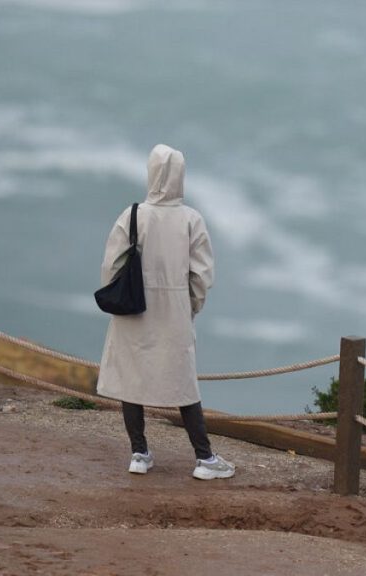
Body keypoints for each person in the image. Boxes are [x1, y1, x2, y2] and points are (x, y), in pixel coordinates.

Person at [96, 144, 234, 480]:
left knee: (132, 380)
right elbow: (201, 276)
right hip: (174, 311)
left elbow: (110, 266)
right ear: (179, 177)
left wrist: (122, 295)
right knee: (183, 384)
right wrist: (191, 307)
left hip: (134, 308)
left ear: (150, 173)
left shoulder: (132, 215)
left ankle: (139, 453)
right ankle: (204, 459)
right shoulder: (191, 219)